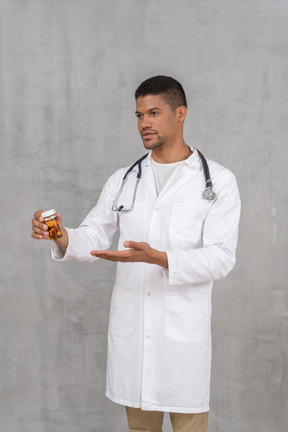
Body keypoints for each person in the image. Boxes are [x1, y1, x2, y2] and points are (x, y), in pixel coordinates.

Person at [32, 75, 241, 432]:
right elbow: (95, 234)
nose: (144, 123)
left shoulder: (217, 181)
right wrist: (63, 237)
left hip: (181, 338)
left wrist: (160, 258)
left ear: (181, 114)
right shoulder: (124, 179)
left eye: (154, 113)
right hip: (134, 337)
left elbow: (221, 257)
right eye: (139, 115)